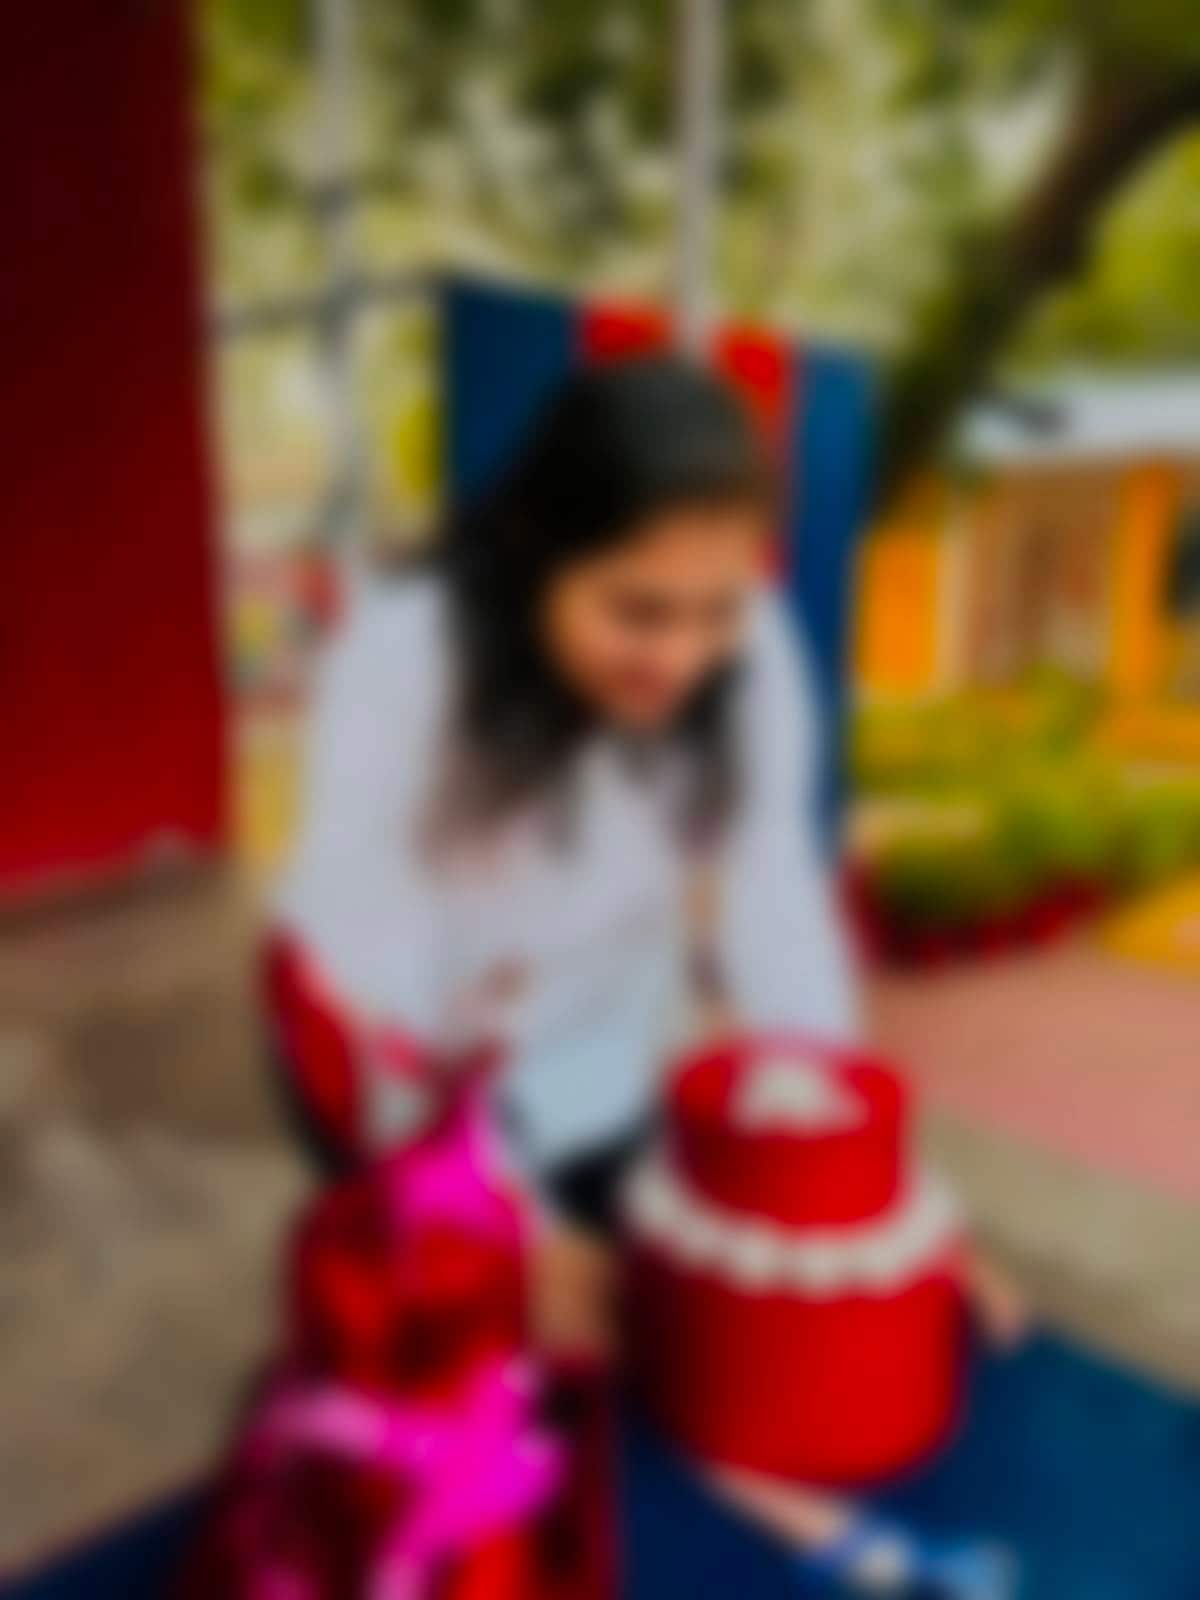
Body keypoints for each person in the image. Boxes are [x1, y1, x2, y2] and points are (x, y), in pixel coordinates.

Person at [268, 356, 1022, 1597]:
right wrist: (500, 1223)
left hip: (592, 1044)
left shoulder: (750, 645)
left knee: (685, 1338)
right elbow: (365, 985)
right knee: (459, 1432)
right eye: (637, 611)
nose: (682, 654)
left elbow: (776, 905)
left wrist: (859, 1207)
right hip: (380, 1064)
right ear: (534, 551)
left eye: (714, 611)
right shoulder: (404, 661)